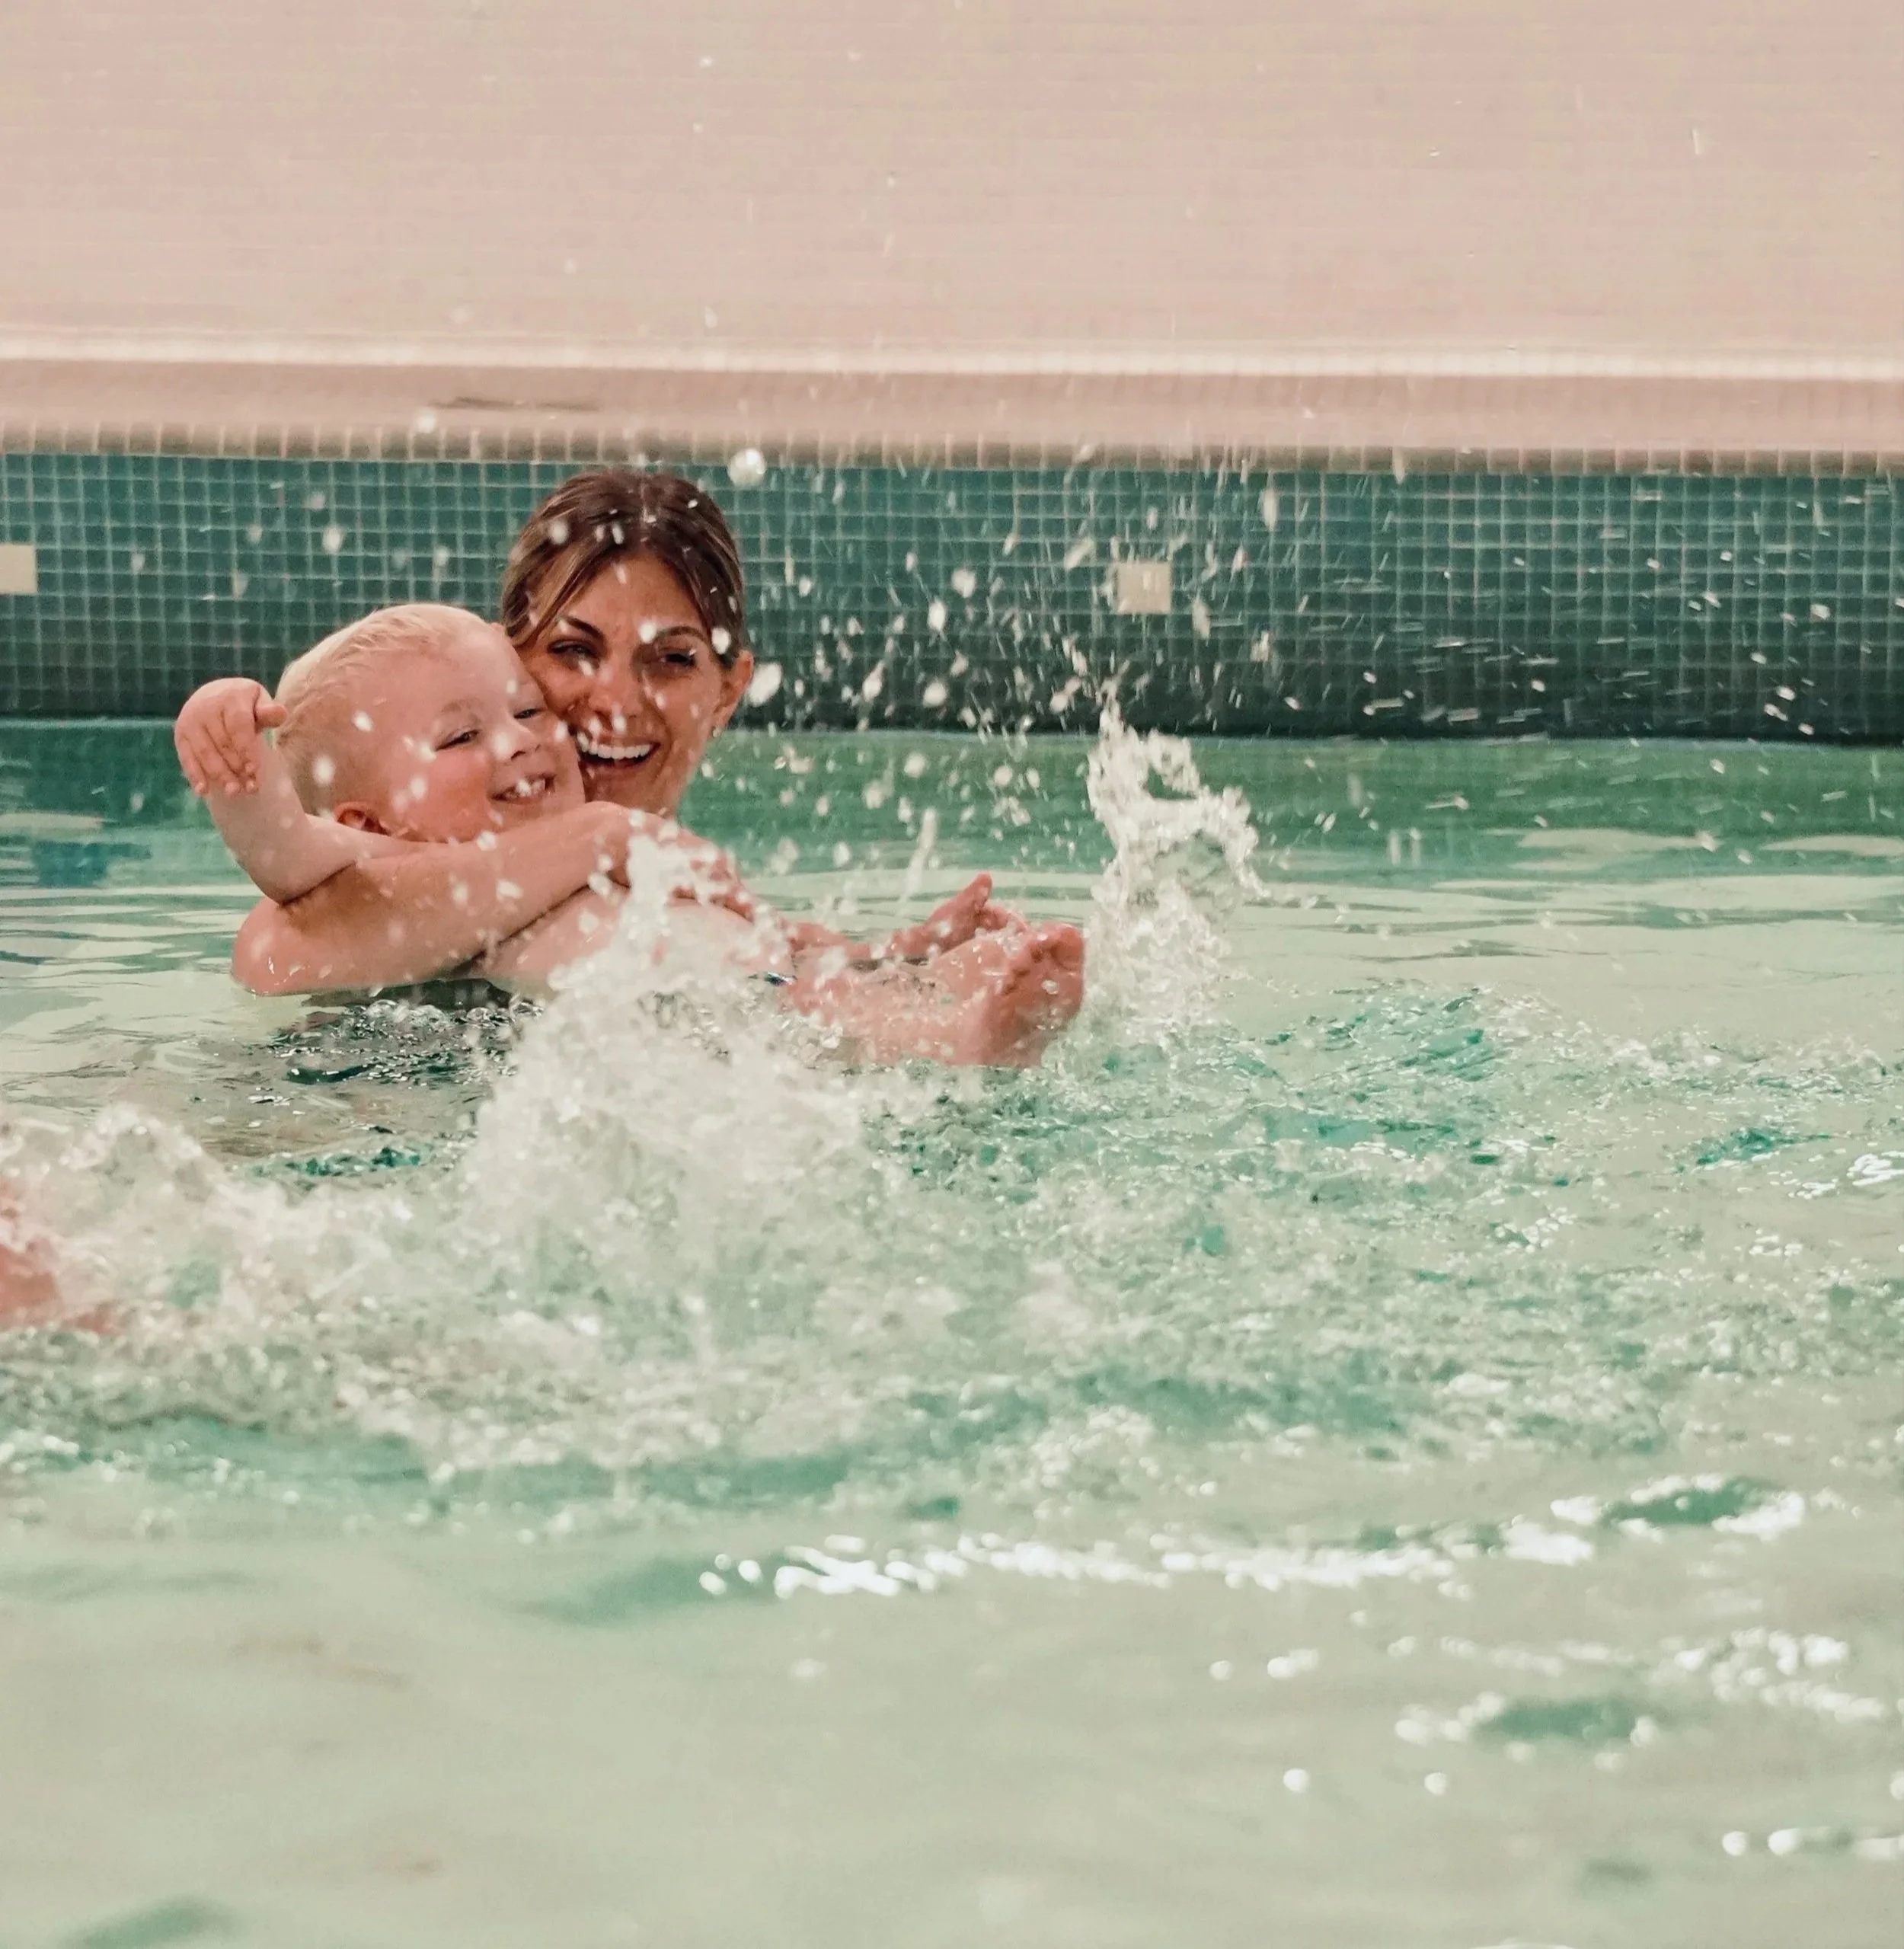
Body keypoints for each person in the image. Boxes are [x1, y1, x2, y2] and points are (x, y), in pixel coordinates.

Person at [177, 603, 1085, 1066]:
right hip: (679, 1021)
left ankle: (956, 1012)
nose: (523, 739)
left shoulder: (635, 856)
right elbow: (281, 852)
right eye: (461, 737)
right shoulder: (400, 863)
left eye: (527, 710)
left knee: (825, 999)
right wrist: (226, 739)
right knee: (807, 1025)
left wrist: (903, 951)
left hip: (729, 995)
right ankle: (960, 1040)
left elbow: (774, 941)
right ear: (366, 818)